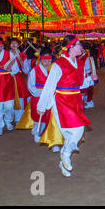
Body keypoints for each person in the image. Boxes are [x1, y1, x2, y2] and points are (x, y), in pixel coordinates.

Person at [37, 35, 96, 177]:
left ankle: (64, 159)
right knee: (77, 130)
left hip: (76, 100)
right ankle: (66, 154)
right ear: (70, 47)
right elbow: (49, 85)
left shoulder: (80, 63)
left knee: (75, 132)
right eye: (78, 45)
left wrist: (90, 80)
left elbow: (79, 84)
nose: (81, 48)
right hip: (62, 101)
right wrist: (42, 105)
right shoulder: (59, 64)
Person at [9, 38, 31, 124]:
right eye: (12, 43)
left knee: (20, 97)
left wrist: (22, 63)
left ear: (19, 45)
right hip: (7, 78)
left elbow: (26, 70)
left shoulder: (22, 55)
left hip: (18, 78)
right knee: (9, 98)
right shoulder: (6, 54)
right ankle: (9, 118)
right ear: (9, 45)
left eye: (16, 43)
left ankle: (19, 118)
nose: (14, 45)